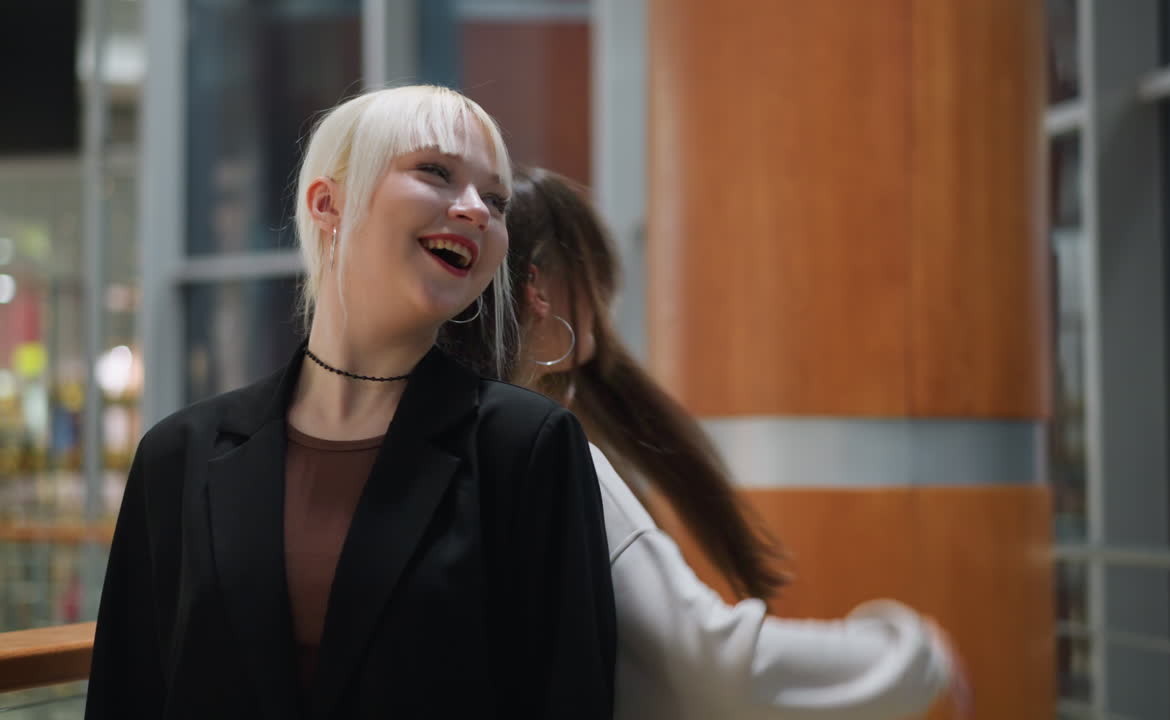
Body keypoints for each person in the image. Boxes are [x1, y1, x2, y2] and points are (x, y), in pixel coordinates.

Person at [86, 89, 616, 719]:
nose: (476, 210)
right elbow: (130, 689)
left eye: (495, 200)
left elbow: (569, 695)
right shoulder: (180, 456)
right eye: (436, 172)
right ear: (327, 203)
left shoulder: (526, 446)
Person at [441, 166, 970, 720]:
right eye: (594, 276)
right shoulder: (546, 455)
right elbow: (714, 668)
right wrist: (911, 656)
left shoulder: (432, 442)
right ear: (539, 288)